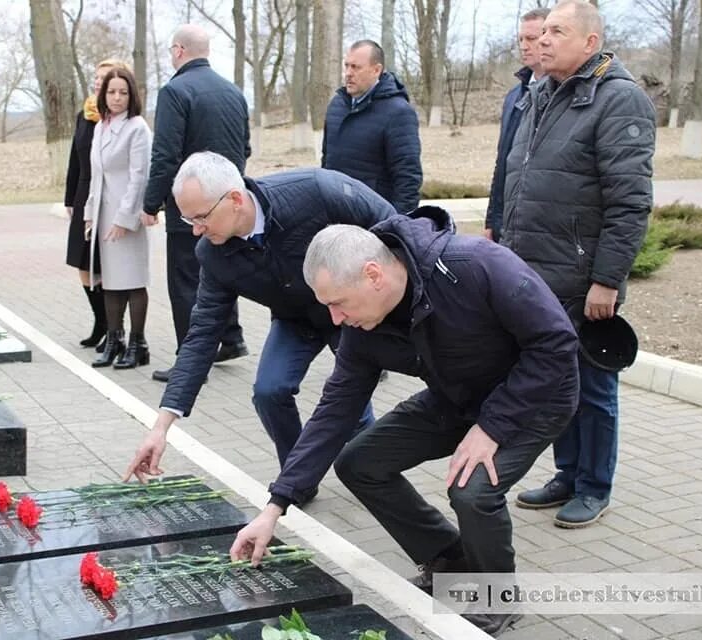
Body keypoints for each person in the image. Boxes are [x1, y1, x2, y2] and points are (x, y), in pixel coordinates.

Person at [229, 216, 580, 637]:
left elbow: (556, 342)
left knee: (472, 491)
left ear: (373, 275)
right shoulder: (362, 327)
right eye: (326, 306)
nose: (335, 319)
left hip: (533, 399)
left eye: (339, 303)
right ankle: (450, 560)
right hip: (456, 398)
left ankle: (497, 598)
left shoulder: (475, 265)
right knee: (360, 462)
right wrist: (276, 506)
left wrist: (492, 427)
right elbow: (335, 410)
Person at [124, 152, 395, 501]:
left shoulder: (317, 192)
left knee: (353, 403)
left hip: (347, 313)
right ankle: (298, 476)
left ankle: (373, 474)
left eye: (201, 217)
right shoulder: (213, 254)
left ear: (235, 200)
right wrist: (160, 427)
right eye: (187, 219)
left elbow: (393, 226)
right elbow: (202, 334)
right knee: (269, 390)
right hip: (294, 319)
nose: (195, 230)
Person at [501, 0, 656, 528]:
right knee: (555, 382)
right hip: (533, 276)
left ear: (590, 43)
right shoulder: (540, 94)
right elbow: (519, 179)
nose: (542, 40)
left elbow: (630, 202)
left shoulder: (619, 100)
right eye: (541, 31)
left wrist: (607, 279)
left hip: (581, 279)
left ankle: (594, 485)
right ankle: (567, 473)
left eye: (557, 32)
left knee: (593, 389)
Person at [141, 24, 250, 382]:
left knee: (187, 281)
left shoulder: (175, 91)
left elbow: (166, 154)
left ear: (178, 51)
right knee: (222, 272)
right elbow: (245, 148)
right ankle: (231, 339)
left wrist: (150, 202)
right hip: (230, 203)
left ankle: (191, 364)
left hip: (191, 210)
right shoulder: (234, 93)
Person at [84, 67, 153, 369]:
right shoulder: (101, 126)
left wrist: (125, 219)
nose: (116, 97)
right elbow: (95, 176)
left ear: (132, 95)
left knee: (133, 280)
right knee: (110, 281)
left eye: (123, 92)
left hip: (127, 214)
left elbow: (140, 176)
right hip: (103, 212)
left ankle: (138, 343)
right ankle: (115, 339)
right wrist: (89, 215)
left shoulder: (137, 128)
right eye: (111, 91)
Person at [65, 59, 128, 353]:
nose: (98, 84)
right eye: (96, 79)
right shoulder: (85, 115)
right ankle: (101, 321)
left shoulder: (118, 119)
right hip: (83, 195)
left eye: (105, 79)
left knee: (106, 266)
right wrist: (69, 199)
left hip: (109, 197)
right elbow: (75, 159)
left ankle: (115, 329)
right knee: (83, 264)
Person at [321, 40, 422, 215]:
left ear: (376, 70)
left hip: (375, 217)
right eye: (347, 66)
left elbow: (408, 178)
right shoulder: (337, 105)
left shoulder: (398, 112)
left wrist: (398, 226)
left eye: (356, 67)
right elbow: (327, 159)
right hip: (335, 212)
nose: (348, 73)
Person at [483, 8, 549, 243]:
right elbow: (503, 163)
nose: (524, 45)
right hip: (507, 227)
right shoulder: (514, 96)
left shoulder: (565, 94)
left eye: (531, 39)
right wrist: (492, 221)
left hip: (542, 229)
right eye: (520, 39)